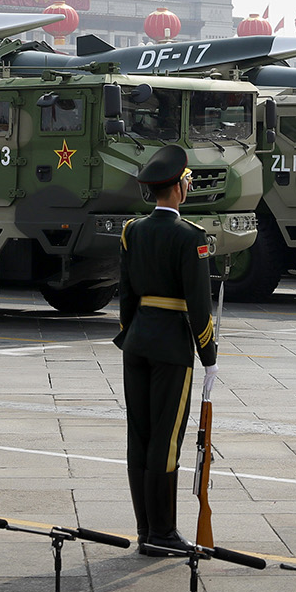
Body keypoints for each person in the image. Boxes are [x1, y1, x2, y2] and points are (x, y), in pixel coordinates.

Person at [114, 144, 218, 556]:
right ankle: (163, 533)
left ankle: (146, 528)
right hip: (172, 346)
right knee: (166, 438)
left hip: (137, 341)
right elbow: (198, 304)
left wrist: (129, 334)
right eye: (187, 181)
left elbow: (126, 294)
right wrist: (209, 356)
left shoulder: (133, 231)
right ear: (177, 188)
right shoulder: (191, 236)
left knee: (138, 435)